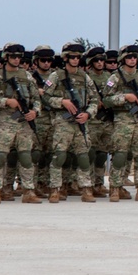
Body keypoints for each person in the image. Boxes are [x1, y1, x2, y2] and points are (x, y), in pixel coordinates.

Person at [0, 43, 42, 204]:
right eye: (13, 57)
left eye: (19, 57)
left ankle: (28, 190)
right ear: (6, 57)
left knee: (25, 157)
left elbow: (36, 98)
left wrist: (34, 112)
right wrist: (6, 101)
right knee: (0, 156)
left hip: (24, 122)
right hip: (5, 121)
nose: (16, 60)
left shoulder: (27, 76)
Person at [43, 43, 99, 203]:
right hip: (63, 122)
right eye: (72, 57)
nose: (75, 60)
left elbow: (95, 99)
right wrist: (62, 102)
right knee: (59, 156)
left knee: (83, 157)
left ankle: (86, 188)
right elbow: (45, 97)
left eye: (78, 57)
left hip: (81, 122)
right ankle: (55, 189)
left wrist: (88, 114)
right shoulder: (56, 76)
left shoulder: (84, 77)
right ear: (66, 58)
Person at [103, 44, 138, 201]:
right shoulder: (115, 77)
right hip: (123, 121)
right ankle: (115, 187)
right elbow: (106, 99)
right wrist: (125, 97)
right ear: (122, 59)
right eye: (129, 57)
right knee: (120, 155)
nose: (132, 60)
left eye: (134, 57)